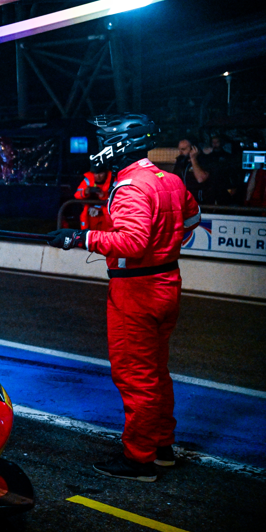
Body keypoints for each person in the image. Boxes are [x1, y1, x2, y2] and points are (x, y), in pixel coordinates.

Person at [47, 114, 201, 482]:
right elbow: (192, 221)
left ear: (120, 145)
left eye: (105, 141)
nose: (100, 148)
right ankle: (161, 447)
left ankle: (139, 459)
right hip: (167, 283)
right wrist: (164, 241)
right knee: (156, 372)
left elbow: (132, 243)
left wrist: (80, 238)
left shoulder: (131, 184)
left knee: (135, 376)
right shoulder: (170, 179)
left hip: (136, 290)